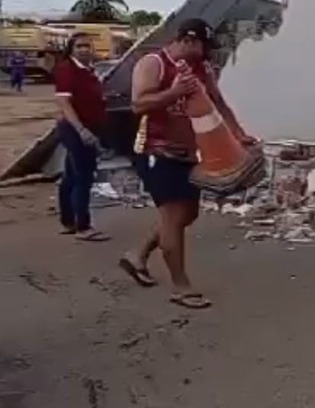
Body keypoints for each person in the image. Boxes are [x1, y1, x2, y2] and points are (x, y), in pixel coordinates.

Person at [119, 19, 255, 310]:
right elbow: (138, 105)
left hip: (189, 154)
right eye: (204, 48)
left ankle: (137, 255)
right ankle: (181, 287)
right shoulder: (153, 64)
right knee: (174, 216)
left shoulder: (200, 69)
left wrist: (239, 134)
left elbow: (218, 103)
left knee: (188, 214)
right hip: (156, 151)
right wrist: (175, 91)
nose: (206, 57)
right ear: (190, 40)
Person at [53, 34, 109, 240]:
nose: (84, 49)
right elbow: (64, 103)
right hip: (76, 129)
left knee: (70, 176)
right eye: (79, 46)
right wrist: (81, 130)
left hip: (86, 128)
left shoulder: (87, 71)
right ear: (71, 49)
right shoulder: (68, 69)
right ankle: (83, 227)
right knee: (83, 177)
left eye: (87, 46)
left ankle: (68, 221)